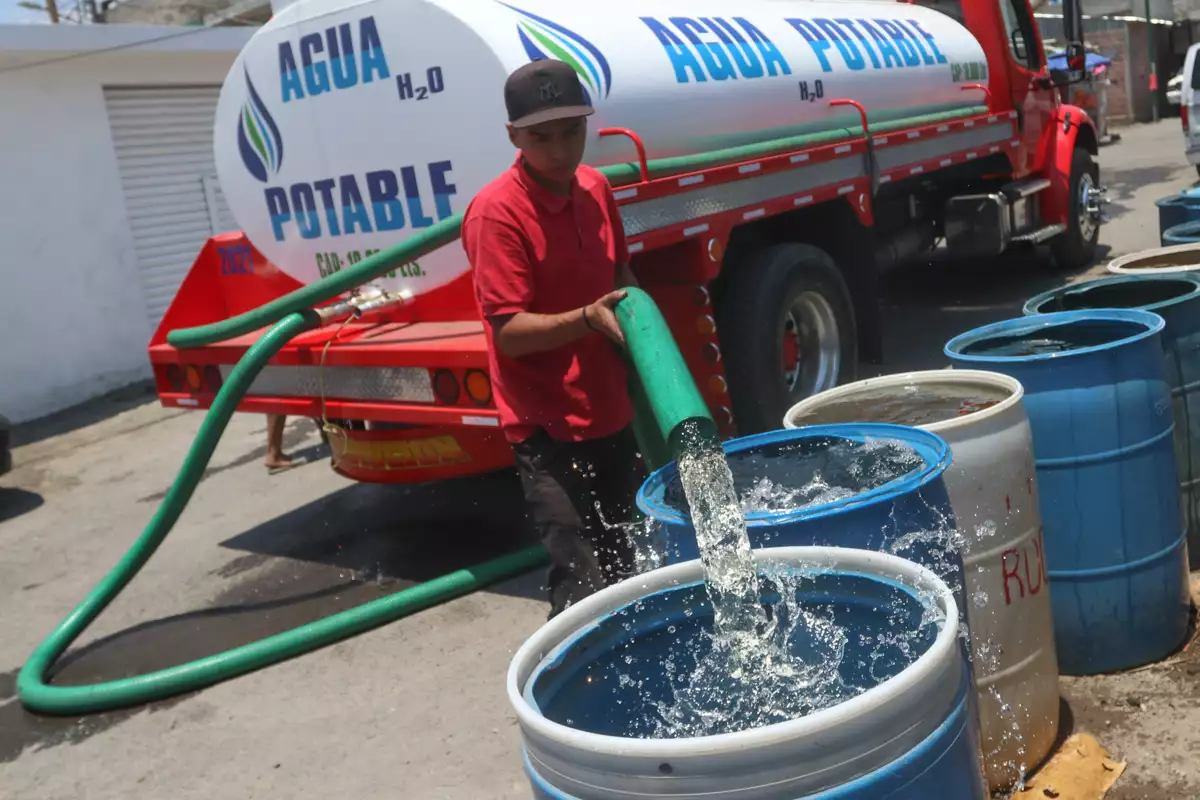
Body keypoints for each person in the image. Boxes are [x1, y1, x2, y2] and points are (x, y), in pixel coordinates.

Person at [462, 59, 644, 618]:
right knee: (581, 577)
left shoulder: (594, 187)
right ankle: (578, 697)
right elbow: (509, 334)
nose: (561, 151)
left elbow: (623, 281)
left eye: (573, 131)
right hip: (547, 424)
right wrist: (587, 318)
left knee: (633, 558)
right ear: (514, 136)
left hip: (610, 407)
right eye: (542, 137)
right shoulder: (497, 214)